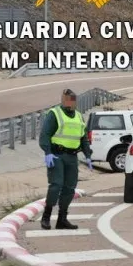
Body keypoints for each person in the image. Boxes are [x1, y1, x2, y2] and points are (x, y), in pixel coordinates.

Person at [38, 89, 93, 230]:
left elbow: (83, 138)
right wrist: (47, 152)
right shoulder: (54, 114)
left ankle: (62, 219)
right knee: (56, 185)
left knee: (69, 188)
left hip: (72, 157)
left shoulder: (79, 116)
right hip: (56, 155)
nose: (70, 103)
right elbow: (45, 135)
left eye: (72, 101)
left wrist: (88, 155)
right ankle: (46, 217)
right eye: (67, 100)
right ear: (63, 100)